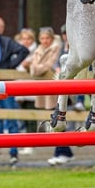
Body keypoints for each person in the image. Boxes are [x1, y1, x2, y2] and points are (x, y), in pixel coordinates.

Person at [30, 28, 73, 165]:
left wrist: (39, 68)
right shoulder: (39, 49)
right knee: (55, 120)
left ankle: (61, 152)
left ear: (51, 38)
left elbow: (51, 65)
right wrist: (40, 68)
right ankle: (64, 151)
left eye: (47, 38)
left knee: (58, 120)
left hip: (56, 89)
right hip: (47, 89)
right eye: (42, 38)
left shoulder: (56, 48)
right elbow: (33, 69)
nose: (44, 41)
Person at [0, 16, 29, 165]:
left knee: (11, 117)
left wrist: (11, 66)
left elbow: (23, 51)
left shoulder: (6, 42)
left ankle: (13, 153)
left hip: (5, 85)